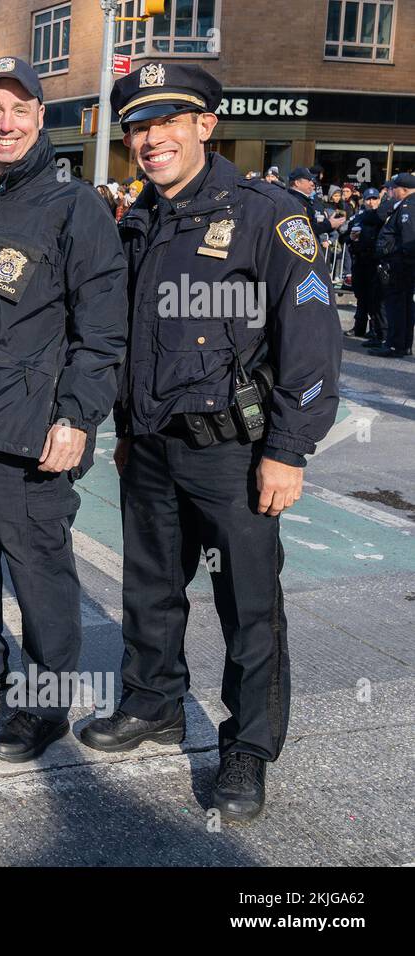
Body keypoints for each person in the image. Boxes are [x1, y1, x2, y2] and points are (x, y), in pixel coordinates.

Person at [83, 64, 342, 823]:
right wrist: (129, 430)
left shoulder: (267, 213)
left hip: (235, 453)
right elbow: (136, 342)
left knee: (248, 606)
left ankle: (248, 750)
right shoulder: (140, 219)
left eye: (169, 121)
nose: (152, 138)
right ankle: (153, 702)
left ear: (205, 126)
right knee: (150, 590)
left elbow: (312, 338)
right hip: (155, 448)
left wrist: (289, 449)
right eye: (139, 126)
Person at [0, 56, 127, 762]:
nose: (4, 124)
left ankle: (43, 703)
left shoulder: (75, 209)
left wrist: (77, 417)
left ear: (41, 118)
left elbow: (102, 332)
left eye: (19, 110)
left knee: (38, 567)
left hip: (32, 429)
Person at [373, 171, 415, 358]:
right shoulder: (405, 205)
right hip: (401, 265)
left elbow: (409, 239)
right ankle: (401, 343)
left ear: (404, 190)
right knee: (403, 305)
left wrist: (402, 263)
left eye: (394, 188)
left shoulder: (408, 206)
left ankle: (395, 344)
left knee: (397, 306)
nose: (391, 190)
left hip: (400, 266)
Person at [346, 187, 385, 341]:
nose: (371, 202)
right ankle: (359, 327)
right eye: (368, 199)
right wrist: (352, 239)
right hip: (360, 260)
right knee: (361, 295)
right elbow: (349, 236)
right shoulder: (358, 217)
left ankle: (375, 329)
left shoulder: (382, 217)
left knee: (374, 297)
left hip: (374, 262)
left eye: (374, 199)